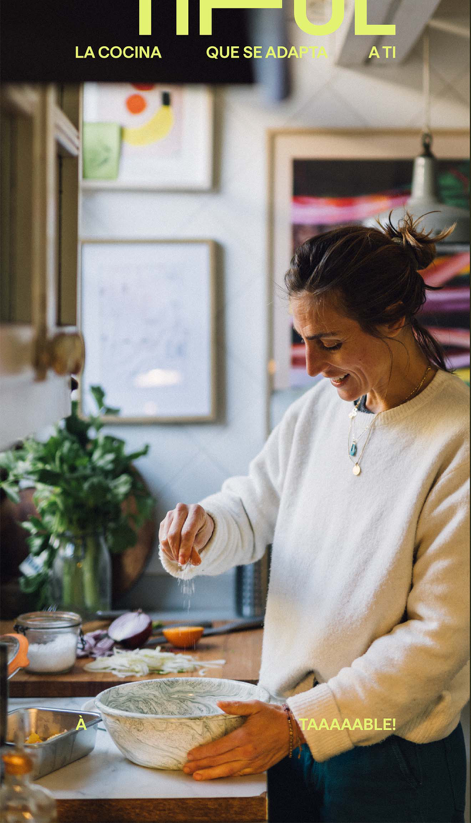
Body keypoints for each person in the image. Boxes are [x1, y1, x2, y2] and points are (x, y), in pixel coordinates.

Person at [159, 214, 469, 823]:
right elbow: (251, 506)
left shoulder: (458, 438)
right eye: (303, 338)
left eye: (329, 342)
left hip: (388, 749)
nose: (309, 365)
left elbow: (437, 638)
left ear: (395, 318)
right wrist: (206, 529)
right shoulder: (317, 413)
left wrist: (302, 725)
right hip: (283, 733)